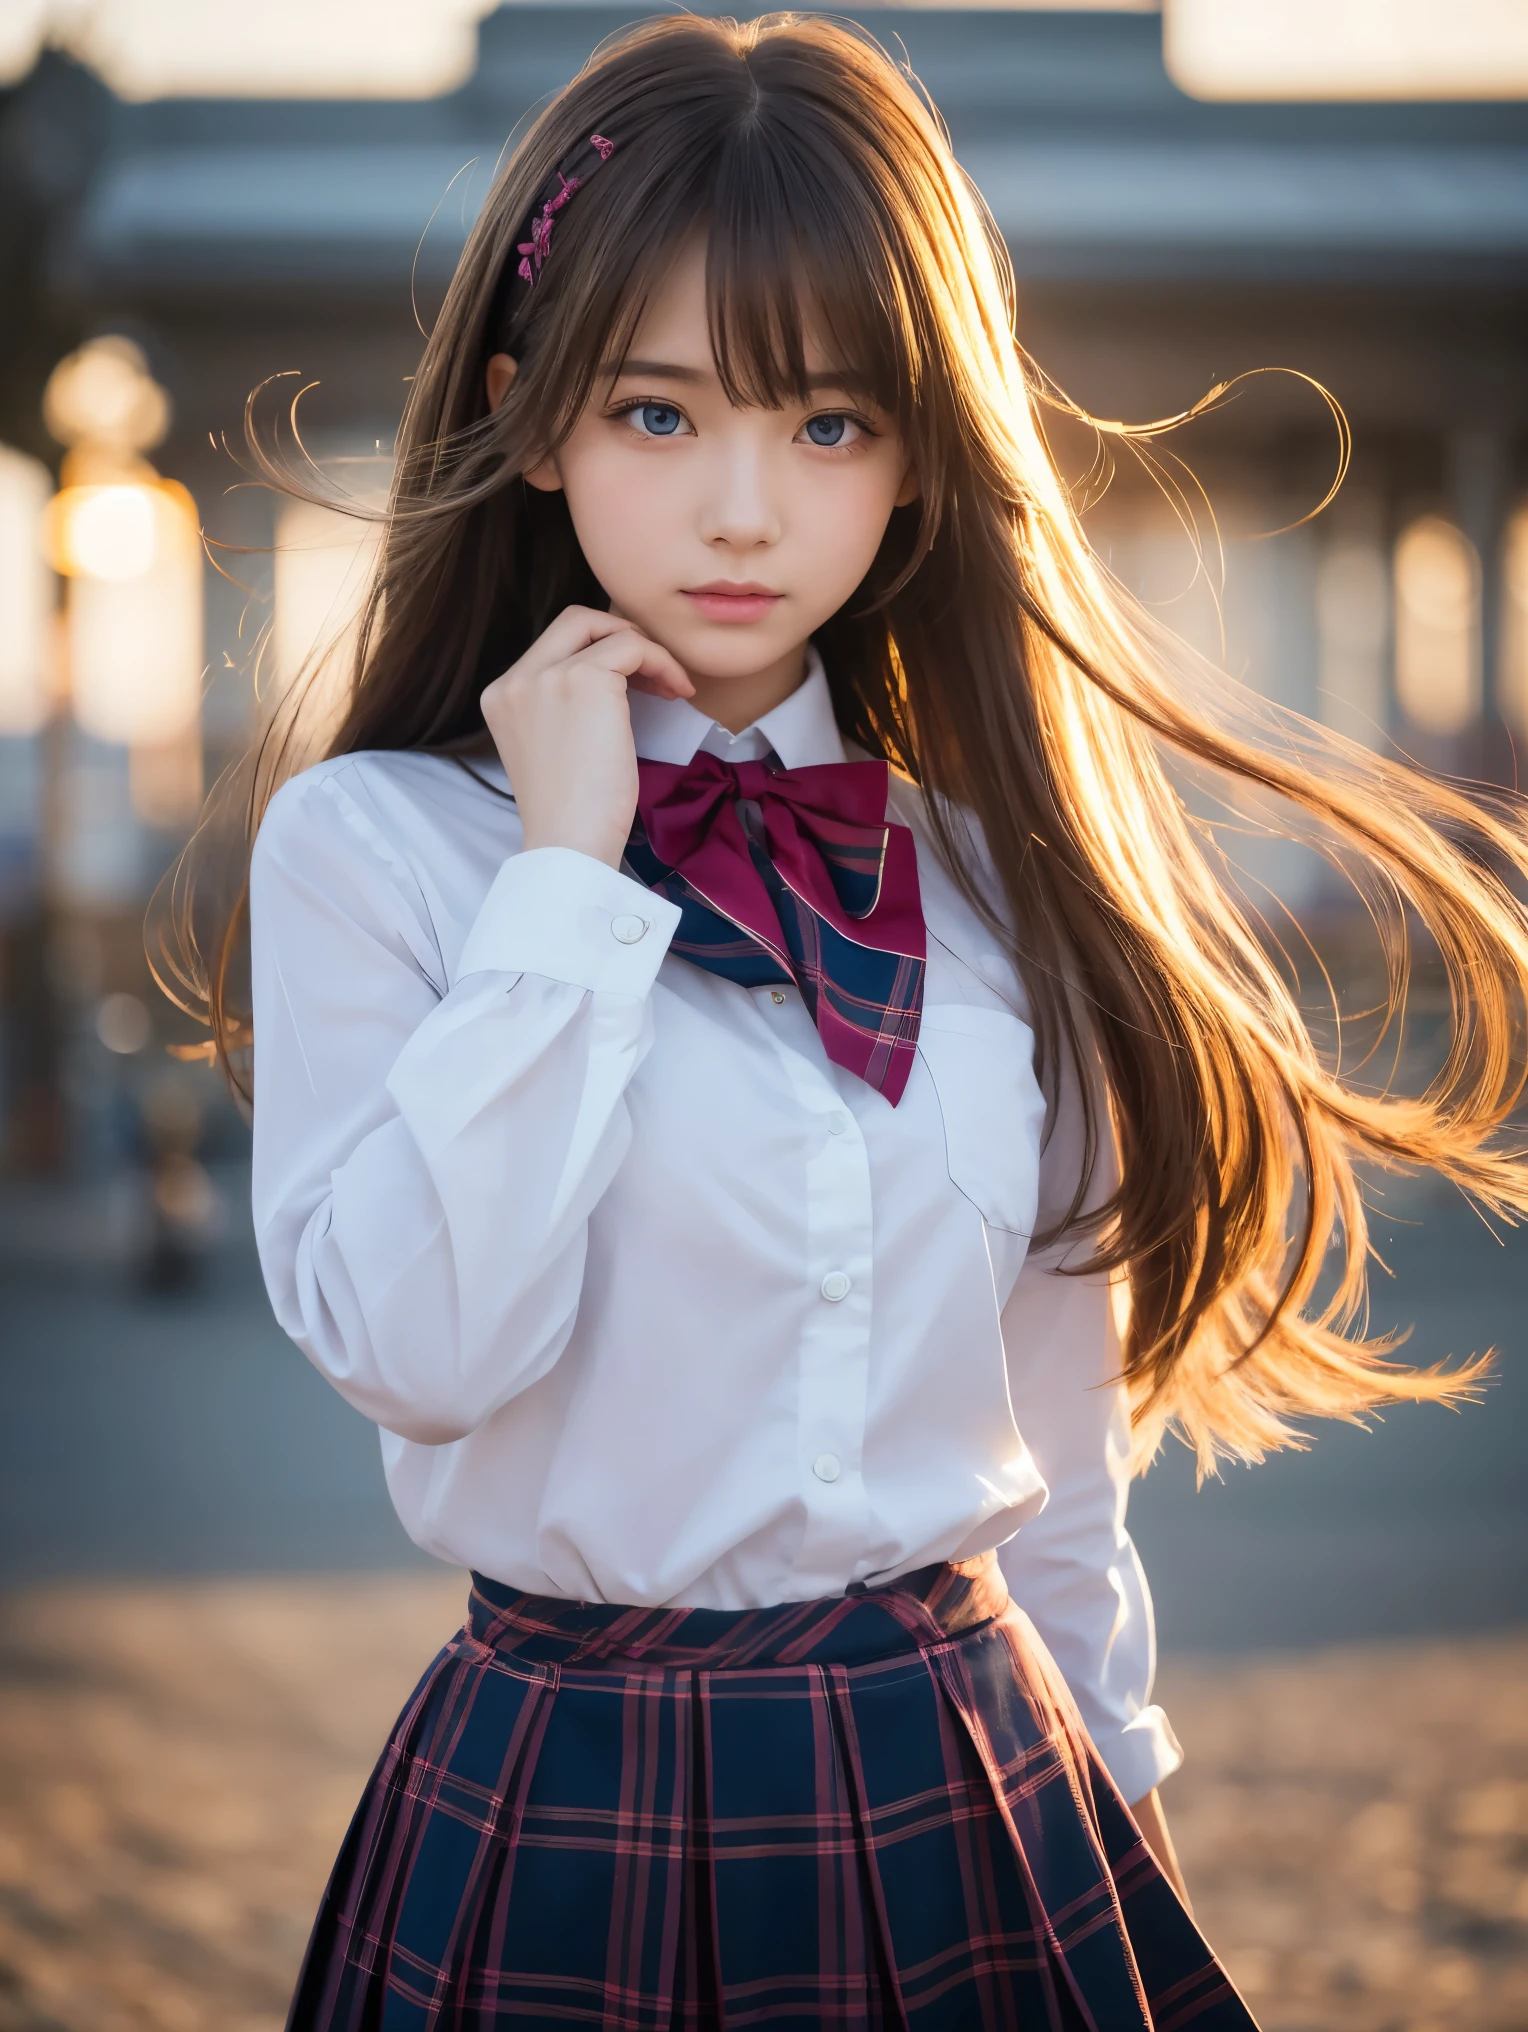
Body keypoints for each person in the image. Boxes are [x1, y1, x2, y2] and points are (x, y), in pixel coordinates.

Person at [217, 15, 1528, 2028]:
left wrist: (1124, 1782)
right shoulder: (375, 851)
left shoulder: (999, 882)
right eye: (658, 415)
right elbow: (419, 1347)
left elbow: (1060, 1455)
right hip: (565, 1780)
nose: (741, 510)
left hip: (970, 1776)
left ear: (919, 456)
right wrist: (563, 887)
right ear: (531, 413)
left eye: (825, 424)